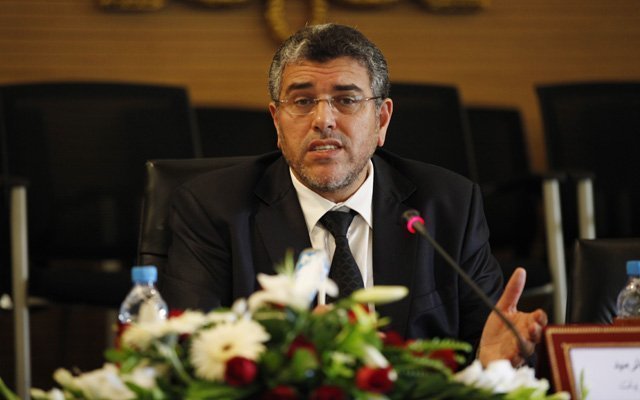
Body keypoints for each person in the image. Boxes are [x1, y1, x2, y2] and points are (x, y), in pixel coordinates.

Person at [163, 23, 547, 367]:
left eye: (346, 100)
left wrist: (492, 362)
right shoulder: (213, 209)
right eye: (302, 101)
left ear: (381, 120)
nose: (323, 120)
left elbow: (490, 343)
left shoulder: (448, 205)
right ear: (277, 123)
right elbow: (191, 354)